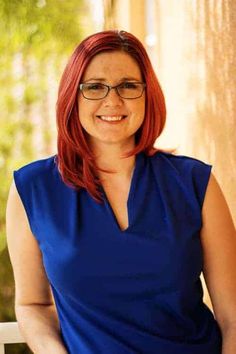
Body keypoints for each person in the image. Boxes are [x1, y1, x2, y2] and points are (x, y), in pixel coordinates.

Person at [6, 30, 236, 354]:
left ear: (147, 94)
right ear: (73, 94)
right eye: (95, 86)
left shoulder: (196, 183)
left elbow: (233, 317)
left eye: (128, 85)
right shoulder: (31, 190)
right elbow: (32, 304)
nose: (112, 101)